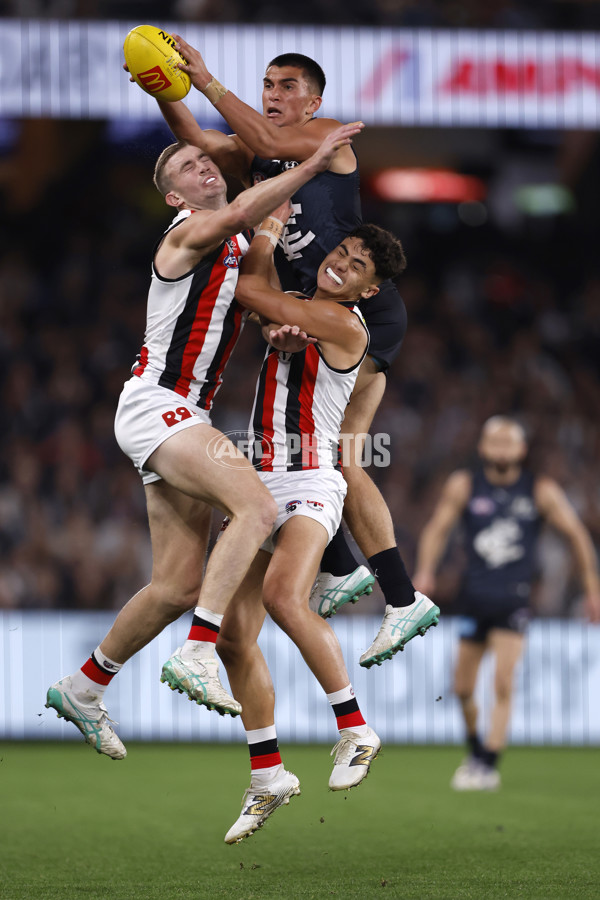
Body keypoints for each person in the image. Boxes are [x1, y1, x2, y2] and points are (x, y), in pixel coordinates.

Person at [44, 121, 364, 760]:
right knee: (258, 506)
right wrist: (312, 165)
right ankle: (198, 650)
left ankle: (84, 685)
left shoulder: (234, 243)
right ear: (174, 197)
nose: (205, 167)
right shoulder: (186, 234)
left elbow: (260, 294)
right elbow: (246, 207)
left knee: (176, 585)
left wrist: (271, 275)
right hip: (158, 404)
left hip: (179, 409)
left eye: (205, 160)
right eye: (189, 166)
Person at [154, 37, 439, 669]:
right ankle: (355, 576)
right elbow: (198, 141)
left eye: (287, 87)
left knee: (331, 449)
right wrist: (164, 88)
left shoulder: (331, 140)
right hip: (320, 314)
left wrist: (204, 77)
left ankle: (393, 593)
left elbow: (258, 137)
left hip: (362, 312)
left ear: (315, 103)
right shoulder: (254, 157)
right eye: (267, 85)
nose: (273, 96)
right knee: (330, 450)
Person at [212, 211, 408, 843]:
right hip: (255, 478)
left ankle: (355, 729)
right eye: (343, 252)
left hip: (311, 479)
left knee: (281, 598)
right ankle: (268, 775)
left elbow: (246, 288)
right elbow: (269, 298)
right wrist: (277, 313)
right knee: (232, 638)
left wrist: (264, 231)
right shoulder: (302, 306)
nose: (341, 264)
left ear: (366, 292)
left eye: (357, 267)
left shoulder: (340, 322)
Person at [412, 416, 600, 790]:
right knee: (463, 687)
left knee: (502, 682)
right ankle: (475, 751)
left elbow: (577, 536)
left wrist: (592, 591)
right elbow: (437, 528)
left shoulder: (540, 490)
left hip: (513, 601)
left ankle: (487, 763)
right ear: (482, 448)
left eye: (508, 442)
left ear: (521, 449)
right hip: (473, 599)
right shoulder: (465, 485)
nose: (500, 448)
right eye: (494, 441)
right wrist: (425, 572)